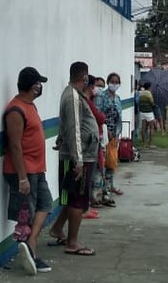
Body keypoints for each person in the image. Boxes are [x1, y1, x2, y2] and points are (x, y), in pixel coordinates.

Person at [2, 66, 54, 275]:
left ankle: (31, 242)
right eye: (39, 83)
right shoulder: (15, 110)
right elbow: (15, 145)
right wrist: (22, 178)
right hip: (23, 172)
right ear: (33, 86)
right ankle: (30, 253)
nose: (40, 87)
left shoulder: (30, 106)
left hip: (37, 169)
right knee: (27, 214)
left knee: (46, 204)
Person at [47, 62, 98, 257]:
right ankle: (73, 243)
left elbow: (68, 125)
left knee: (73, 197)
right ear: (84, 78)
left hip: (82, 154)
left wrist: (60, 139)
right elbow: (74, 128)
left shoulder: (73, 95)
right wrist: (78, 160)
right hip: (80, 157)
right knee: (78, 200)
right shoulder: (73, 97)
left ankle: (58, 228)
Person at [82, 75, 107, 218]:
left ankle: (87, 205)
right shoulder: (87, 102)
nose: (97, 89)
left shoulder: (90, 101)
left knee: (96, 171)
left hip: (96, 140)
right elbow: (100, 117)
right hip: (89, 145)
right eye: (96, 86)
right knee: (88, 176)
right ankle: (85, 206)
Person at [96, 72, 124, 200]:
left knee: (112, 161)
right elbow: (98, 113)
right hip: (104, 134)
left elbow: (119, 118)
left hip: (114, 135)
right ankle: (102, 189)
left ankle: (110, 185)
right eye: (112, 82)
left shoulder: (117, 99)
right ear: (108, 83)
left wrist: (117, 133)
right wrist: (105, 130)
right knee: (102, 162)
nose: (114, 84)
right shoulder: (102, 96)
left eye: (116, 82)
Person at [137, 82, 155, 150]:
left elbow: (138, 101)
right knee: (151, 127)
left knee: (143, 128)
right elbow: (152, 102)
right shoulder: (149, 93)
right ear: (149, 87)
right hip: (149, 112)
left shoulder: (141, 93)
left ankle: (144, 144)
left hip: (142, 112)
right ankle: (150, 144)